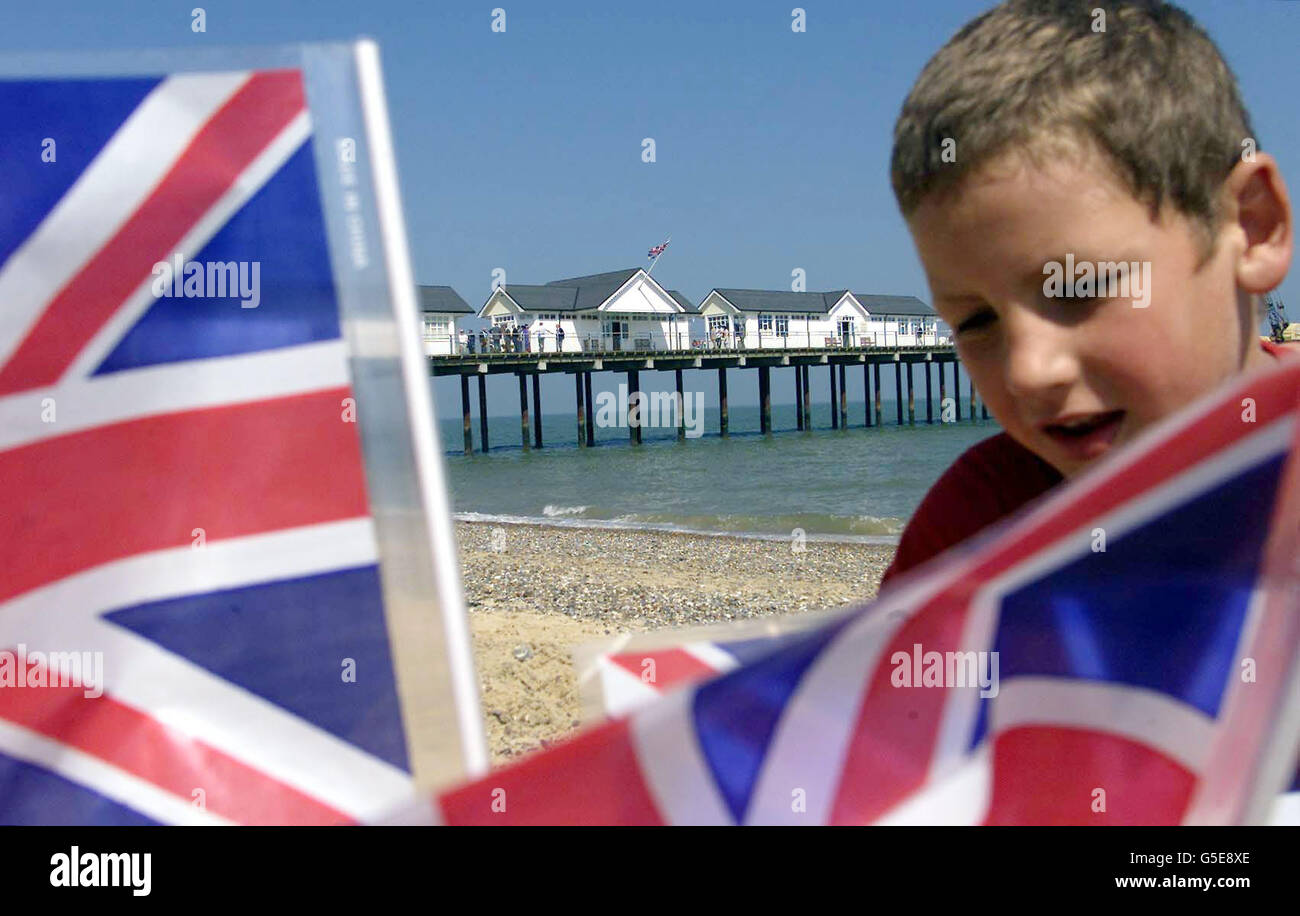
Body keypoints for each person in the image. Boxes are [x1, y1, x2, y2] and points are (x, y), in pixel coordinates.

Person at [880, 0, 1295, 587]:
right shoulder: (972, 535)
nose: (1029, 371)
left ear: (1250, 229)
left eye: (1082, 285)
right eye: (975, 322)